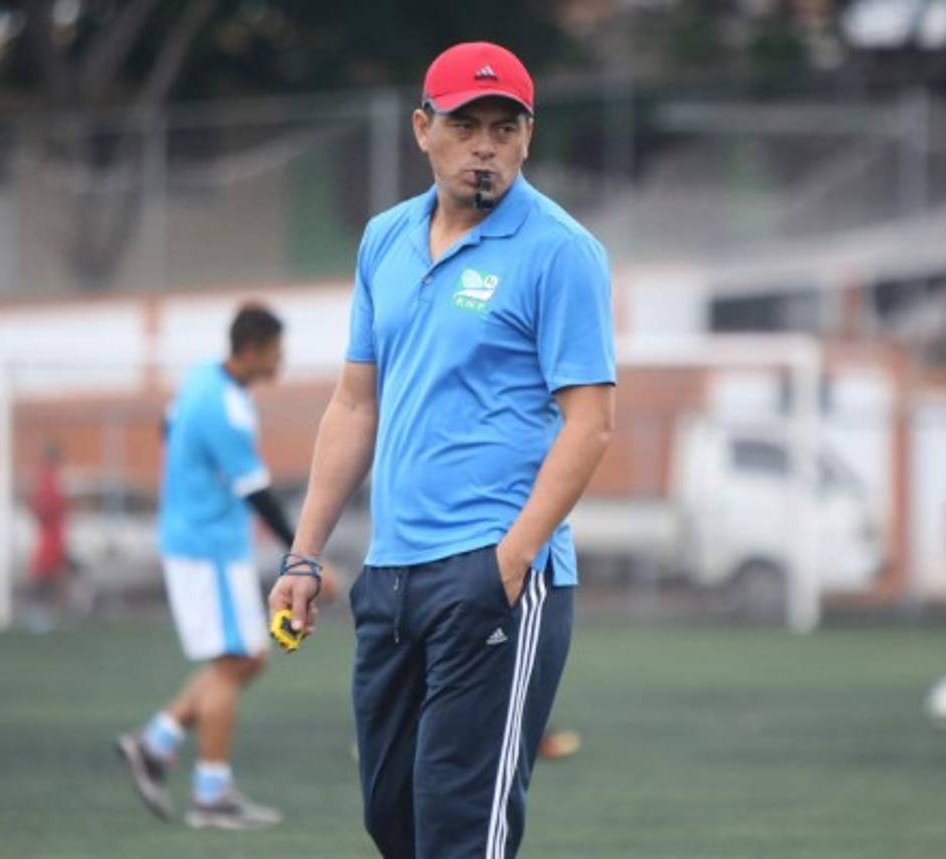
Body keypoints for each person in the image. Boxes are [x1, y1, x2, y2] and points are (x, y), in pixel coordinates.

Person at [268, 41, 616, 859]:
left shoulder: (562, 252)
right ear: (423, 128)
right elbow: (355, 404)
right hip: (389, 580)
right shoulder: (384, 240)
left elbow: (590, 422)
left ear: (529, 138)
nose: (485, 144)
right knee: (393, 818)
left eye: (505, 126)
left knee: (461, 834)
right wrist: (305, 555)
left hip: (494, 571)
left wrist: (513, 556)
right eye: (466, 124)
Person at [117, 303, 302, 831]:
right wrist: (303, 557)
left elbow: (166, 427)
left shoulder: (199, 379)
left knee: (250, 657)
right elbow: (258, 494)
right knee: (236, 660)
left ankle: (156, 742)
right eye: (275, 352)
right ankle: (211, 795)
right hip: (208, 548)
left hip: (197, 540)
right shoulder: (229, 407)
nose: (280, 361)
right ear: (251, 351)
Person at [24, 442, 68, 631]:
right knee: (42, 577)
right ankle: (36, 614)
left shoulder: (54, 479)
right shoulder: (47, 480)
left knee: (52, 577)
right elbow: (41, 507)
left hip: (55, 538)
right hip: (48, 539)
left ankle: (47, 614)